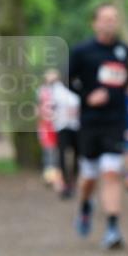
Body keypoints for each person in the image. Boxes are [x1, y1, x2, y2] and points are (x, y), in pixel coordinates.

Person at [68, 4, 128, 249]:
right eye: (105, 19)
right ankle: (85, 204)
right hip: (89, 123)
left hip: (115, 122)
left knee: (112, 172)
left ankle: (113, 228)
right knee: (89, 177)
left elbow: (125, 81)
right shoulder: (82, 51)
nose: (109, 23)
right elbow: (66, 80)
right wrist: (87, 97)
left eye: (113, 18)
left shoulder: (124, 51)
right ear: (94, 23)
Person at [47, 68, 81, 199]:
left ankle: (73, 181)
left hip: (77, 127)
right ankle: (64, 182)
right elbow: (50, 106)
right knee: (62, 154)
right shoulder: (57, 89)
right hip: (62, 126)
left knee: (77, 154)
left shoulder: (79, 86)